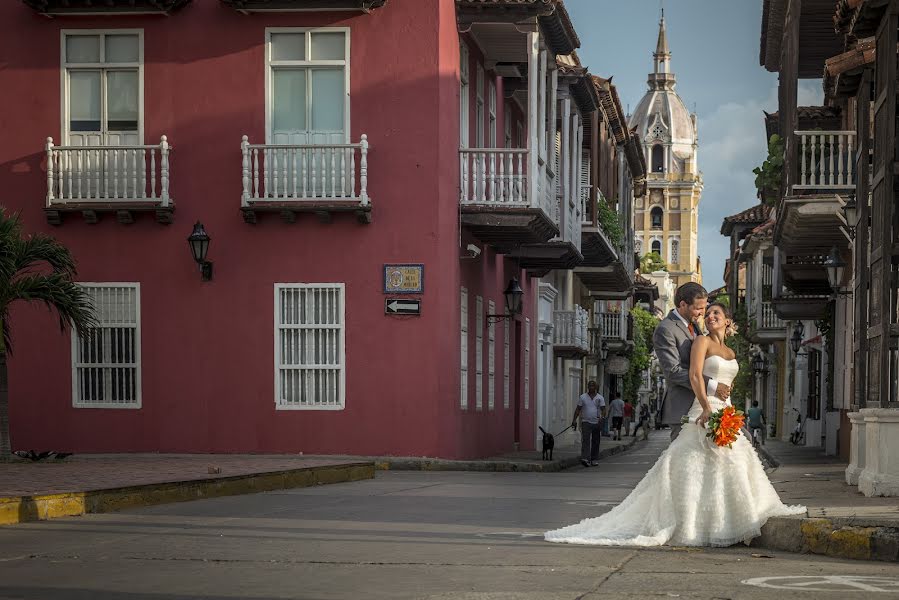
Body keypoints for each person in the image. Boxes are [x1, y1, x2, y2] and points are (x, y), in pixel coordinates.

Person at [545, 302, 806, 547]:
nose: (711, 316)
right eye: (709, 313)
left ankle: (728, 521)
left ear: (728, 321)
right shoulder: (701, 342)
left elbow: (729, 383)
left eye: (717, 314)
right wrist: (705, 407)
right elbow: (694, 375)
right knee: (691, 462)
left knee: (732, 464)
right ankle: (691, 525)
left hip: (724, 410)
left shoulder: (731, 352)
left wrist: (728, 409)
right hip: (704, 408)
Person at [652, 283, 731, 441]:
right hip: (684, 407)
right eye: (698, 308)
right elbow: (673, 372)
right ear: (683, 304)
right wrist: (713, 386)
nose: (703, 314)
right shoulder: (665, 329)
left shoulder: (695, 325)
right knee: (683, 460)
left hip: (707, 404)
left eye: (704, 308)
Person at [572, 381, 606, 467]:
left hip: (596, 422)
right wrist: (574, 420)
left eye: (593, 386)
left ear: (596, 387)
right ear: (587, 387)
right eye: (589, 385)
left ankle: (594, 459)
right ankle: (585, 458)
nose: (591, 387)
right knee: (585, 440)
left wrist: (602, 418)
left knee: (595, 441)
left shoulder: (600, 398)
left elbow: (603, 409)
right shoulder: (583, 397)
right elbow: (578, 409)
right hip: (585, 421)